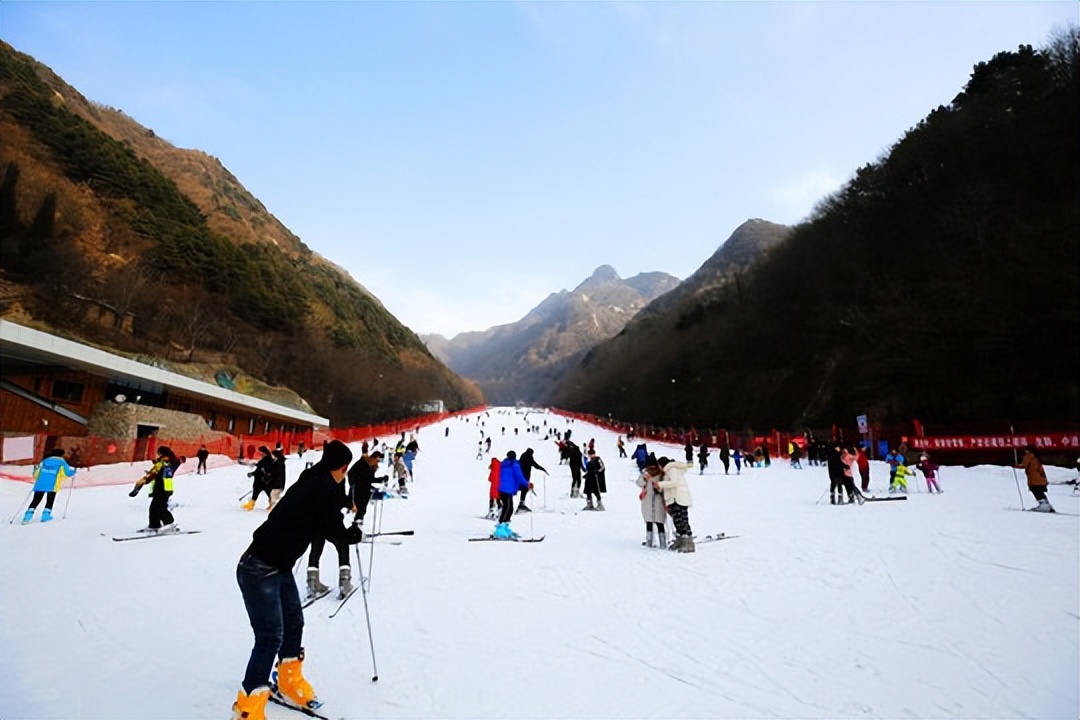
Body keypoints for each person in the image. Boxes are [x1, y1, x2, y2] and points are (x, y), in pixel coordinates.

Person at [232, 440, 363, 720]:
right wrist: (351, 535)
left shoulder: (314, 477)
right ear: (344, 467)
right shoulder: (322, 487)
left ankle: (288, 682)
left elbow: (328, 504)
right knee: (269, 637)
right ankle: (247, 709)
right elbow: (333, 531)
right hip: (258, 567)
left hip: (278, 566)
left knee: (294, 622)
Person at [129, 446, 181, 532]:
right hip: (165, 489)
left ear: (162, 454)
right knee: (154, 508)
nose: (156, 455)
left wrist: (138, 486)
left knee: (159, 508)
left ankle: (169, 523)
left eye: (158, 453)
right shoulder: (168, 463)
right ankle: (154, 525)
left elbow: (149, 476)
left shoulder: (160, 464)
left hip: (162, 489)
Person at [23, 448, 76, 524]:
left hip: (40, 483)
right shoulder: (62, 462)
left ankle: (28, 515)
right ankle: (46, 515)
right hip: (53, 484)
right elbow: (66, 473)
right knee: (50, 499)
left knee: (36, 499)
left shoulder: (45, 461)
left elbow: (36, 473)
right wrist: (73, 472)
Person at [655, 457, 695, 552]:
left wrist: (660, 484)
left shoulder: (672, 470)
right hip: (674, 499)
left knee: (682, 521)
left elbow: (674, 483)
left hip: (679, 498)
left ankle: (688, 542)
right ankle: (680, 540)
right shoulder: (668, 472)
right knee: (677, 521)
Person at [494, 450, 532, 539]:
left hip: (502, 489)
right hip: (508, 489)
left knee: (508, 508)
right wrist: (527, 483)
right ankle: (500, 528)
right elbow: (519, 476)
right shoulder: (515, 465)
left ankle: (504, 527)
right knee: (508, 508)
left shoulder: (503, 464)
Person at [636, 454, 667, 548]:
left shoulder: (661, 477)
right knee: (648, 522)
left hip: (658, 503)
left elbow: (664, 488)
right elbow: (639, 483)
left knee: (659, 522)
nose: (651, 471)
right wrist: (644, 479)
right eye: (649, 469)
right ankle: (649, 540)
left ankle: (663, 542)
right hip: (647, 502)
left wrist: (658, 489)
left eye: (653, 469)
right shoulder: (646, 477)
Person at [1015, 445, 1054, 512]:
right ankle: (1046, 504)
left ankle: (1044, 505)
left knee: (1036, 490)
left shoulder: (1028, 456)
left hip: (1034, 478)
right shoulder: (1036, 457)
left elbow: (1024, 465)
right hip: (1040, 477)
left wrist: (1015, 465)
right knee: (1039, 491)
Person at [516, 448, 547, 513]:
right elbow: (535, 465)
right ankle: (521, 505)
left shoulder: (523, 456)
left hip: (521, 475)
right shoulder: (529, 457)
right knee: (524, 489)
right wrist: (542, 469)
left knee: (524, 489)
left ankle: (521, 504)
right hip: (526, 476)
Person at [244, 447, 274, 511]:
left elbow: (263, 470)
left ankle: (251, 505)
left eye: (260, 452)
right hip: (263, 480)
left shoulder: (267, 460)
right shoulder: (267, 459)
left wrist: (253, 474)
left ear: (264, 452)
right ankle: (272, 505)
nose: (260, 454)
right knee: (262, 492)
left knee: (259, 492)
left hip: (261, 480)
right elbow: (260, 468)